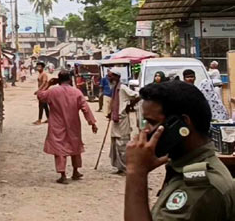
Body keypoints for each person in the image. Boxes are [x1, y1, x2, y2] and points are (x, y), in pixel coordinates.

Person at [124, 81, 235, 221]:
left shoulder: (201, 188)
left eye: (151, 122)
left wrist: (136, 173)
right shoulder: (186, 168)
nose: (145, 131)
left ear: (182, 124)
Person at [36, 69, 98, 184]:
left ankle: (63, 174)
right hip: (73, 124)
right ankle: (75, 171)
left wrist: (48, 84)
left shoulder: (52, 92)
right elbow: (86, 108)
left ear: (58, 79)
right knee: (75, 146)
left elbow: (39, 95)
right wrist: (92, 123)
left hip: (57, 124)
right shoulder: (77, 92)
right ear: (70, 79)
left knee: (59, 149)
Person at [109, 70, 138, 174]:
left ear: (116, 77)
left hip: (122, 119)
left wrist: (129, 106)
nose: (109, 78)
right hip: (116, 118)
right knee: (115, 143)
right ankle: (119, 167)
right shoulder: (114, 89)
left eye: (111, 76)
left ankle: (127, 167)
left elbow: (137, 95)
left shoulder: (123, 88)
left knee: (122, 142)